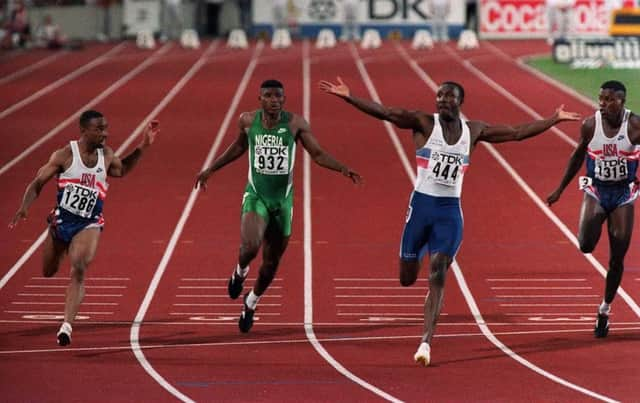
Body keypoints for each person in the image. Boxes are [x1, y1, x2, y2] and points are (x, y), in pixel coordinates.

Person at [319, 77, 580, 366]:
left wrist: (553, 119)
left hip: (449, 212)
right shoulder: (423, 123)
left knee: (438, 270)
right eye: (439, 95)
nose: (442, 100)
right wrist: (349, 96)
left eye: (449, 96)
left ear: (460, 101)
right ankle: (417, 261)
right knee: (406, 279)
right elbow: (386, 112)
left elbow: (517, 132)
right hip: (420, 208)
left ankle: (425, 343)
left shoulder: (474, 130)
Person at [195, 79, 362, 333]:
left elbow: (317, 153)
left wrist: (342, 168)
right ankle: (239, 272)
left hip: (282, 203)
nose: (275, 100)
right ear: (259, 98)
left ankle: (251, 303)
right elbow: (239, 146)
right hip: (256, 196)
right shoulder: (247, 120)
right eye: (269, 96)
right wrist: (212, 168)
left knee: (271, 265)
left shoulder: (295, 124)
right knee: (250, 246)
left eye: (279, 96)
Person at [9, 111, 159, 346]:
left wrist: (143, 146)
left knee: (79, 266)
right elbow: (38, 182)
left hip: (89, 223)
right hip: (61, 223)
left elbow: (122, 170)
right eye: (99, 129)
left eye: (106, 128)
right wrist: (24, 207)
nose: (105, 133)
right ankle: (59, 244)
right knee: (48, 271)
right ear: (84, 130)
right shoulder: (64, 155)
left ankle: (66, 326)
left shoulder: (106, 155)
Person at [547, 80, 639, 338]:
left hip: (623, 194)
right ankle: (595, 229)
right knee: (586, 244)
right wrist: (560, 189)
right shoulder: (590, 124)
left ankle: (604, 309)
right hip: (596, 189)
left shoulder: (634, 125)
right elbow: (577, 156)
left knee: (617, 258)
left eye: (609, 99)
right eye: (601, 98)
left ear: (622, 101)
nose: (602, 103)